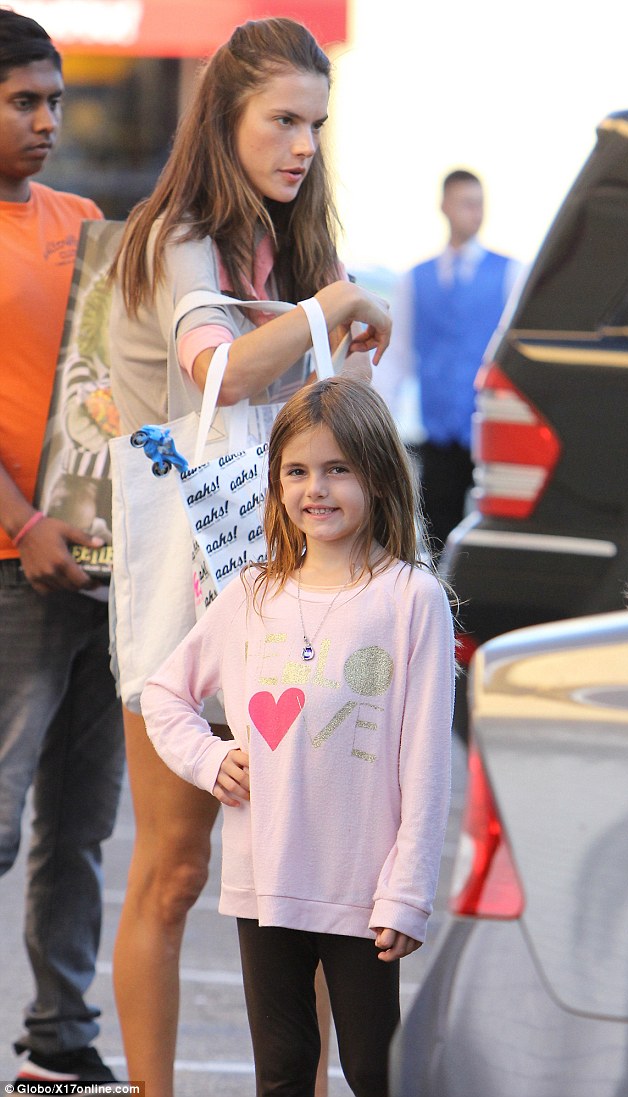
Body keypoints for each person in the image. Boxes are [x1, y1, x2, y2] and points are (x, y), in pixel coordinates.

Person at [108, 16, 392, 1096]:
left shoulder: (300, 244)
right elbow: (214, 371)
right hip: (186, 588)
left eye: (316, 123)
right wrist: (327, 310)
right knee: (174, 872)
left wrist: (351, 353)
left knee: (315, 879)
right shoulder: (176, 230)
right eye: (282, 119)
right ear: (222, 117)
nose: (303, 144)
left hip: (298, 591)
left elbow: (321, 417)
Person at [141, 376, 455, 1097]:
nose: (317, 488)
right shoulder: (251, 593)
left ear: (378, 475)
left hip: (364, 891)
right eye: (298, 470)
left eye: (338, 468)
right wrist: (210, 756)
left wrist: (407, 891)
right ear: (276, 481)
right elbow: (165, 693)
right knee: (281, 1072)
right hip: (266, 885)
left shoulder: (412, 598)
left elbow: (426, 761)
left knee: (377, 1072)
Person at [0, 9, 125, 1085]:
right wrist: (23, 522)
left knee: (79, 825)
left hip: (103, 572)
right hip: (11, 569)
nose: (48, 119)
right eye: (23, 100)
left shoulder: (86, 222)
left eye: (53, 99)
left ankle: (59, 1045)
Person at [384, 169, 522, 550]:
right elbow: (397, 358)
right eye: (466, 203)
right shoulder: (414, 279)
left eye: (479, 204)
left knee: (493, 530)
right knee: (436, 528)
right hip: (438, 433)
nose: (474, 213)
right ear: (445, 206)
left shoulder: (510, 273)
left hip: (492, 429)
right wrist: (381, 422)